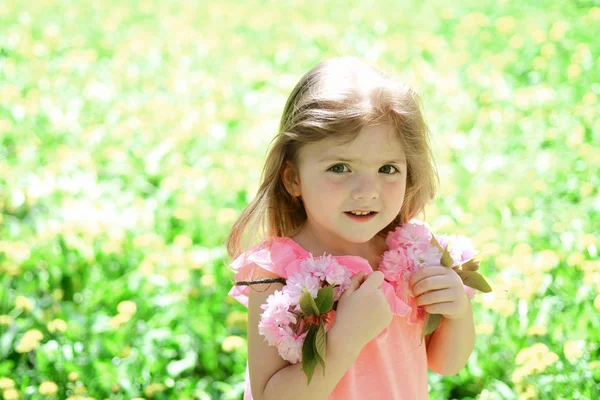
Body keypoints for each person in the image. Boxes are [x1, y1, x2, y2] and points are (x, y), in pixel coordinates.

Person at [226, 56, 476, 400]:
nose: (367, 190)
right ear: (293, 177)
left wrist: (458, 312)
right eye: (340, 167)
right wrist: (344, 339)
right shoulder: (276, 274)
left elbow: (446, 362)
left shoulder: (409, 254)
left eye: (387, 169)